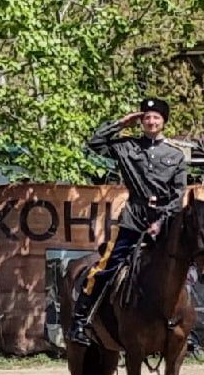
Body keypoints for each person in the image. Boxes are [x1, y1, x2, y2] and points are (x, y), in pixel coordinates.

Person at [67, 98, 190, 347]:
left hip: (163, 224)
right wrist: (120, 124)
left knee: (183, 268)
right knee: (106, 268)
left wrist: (161, 221)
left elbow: (178, 196)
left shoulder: (175, 155)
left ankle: (187, 326)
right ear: (140, 121)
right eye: (146, 117)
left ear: (163, 121)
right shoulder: (127, 147)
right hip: (133, 219)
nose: (151, 121)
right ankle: (80, 321)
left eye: (156, 117)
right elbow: (94, 144)